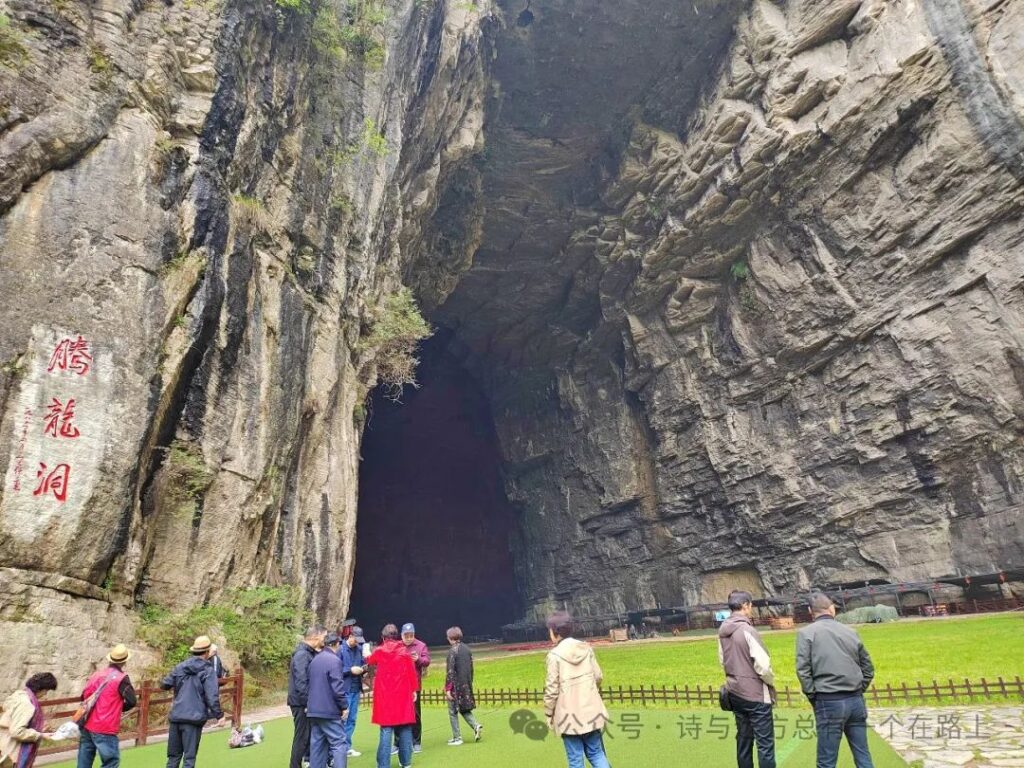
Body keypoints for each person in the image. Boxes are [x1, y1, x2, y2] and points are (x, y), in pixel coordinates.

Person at [797, 593, 876, 768]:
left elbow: (803, 670)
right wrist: (859, 688)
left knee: (827, 759)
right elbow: (868, 667)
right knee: (863, 755)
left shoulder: (806, 633)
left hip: (828, 700)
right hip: (855, 700)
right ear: (832, 608)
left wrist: (813, 696)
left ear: (811, 611)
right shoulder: (850, 631)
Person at [543, 611, 611, 768]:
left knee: (575, 760)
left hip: (568, 715)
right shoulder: (586, 648)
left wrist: (548, 712)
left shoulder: (554, 656)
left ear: (555, 632)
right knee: (596, 753)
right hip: (590, 711)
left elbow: (552, 689)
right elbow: (598, 676)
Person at [718, 590, 777, 768]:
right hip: (756, 694)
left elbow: (722, 660)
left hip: (734, 692)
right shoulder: (747, 630)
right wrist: (770, 682)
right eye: (750, 605)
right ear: (745, 606)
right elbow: (763, 666)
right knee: (765, 744)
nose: (751, 609)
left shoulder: (722, 632)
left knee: (743, 740)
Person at [161, 635, 226, 768]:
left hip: (177, 715)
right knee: (189, 759)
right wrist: (219, 715)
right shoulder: (208, 670)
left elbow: (164, 684)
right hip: (194, 718)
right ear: (207, 652)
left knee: (173, 757)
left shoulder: (180, 667)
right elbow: (211, 696)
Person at [365, 624, 418, 768]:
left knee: (386, 729)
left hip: (385, 696)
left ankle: (383, 764)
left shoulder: (379, 651)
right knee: (405, 727)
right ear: (397, 636)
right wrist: (414, 690)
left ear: (383, 637)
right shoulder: (404, 652)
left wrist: (366, 652)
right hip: (402, 694)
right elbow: (412, 673)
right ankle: (406, 762)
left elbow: (369, 660)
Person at [76, 644, 137, 768]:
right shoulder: (121, 678)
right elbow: (132, 701)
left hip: (87, 723)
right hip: (105, 726)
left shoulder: (97, 674)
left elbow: (84, 697)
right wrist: (118, 708)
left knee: (84, 763)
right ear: (125, 661)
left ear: (110, 659)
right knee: (111, 761)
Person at [307, 634, 348, 768]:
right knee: (339, 744)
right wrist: (344, 706)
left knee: (318, 746)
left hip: (314, 710)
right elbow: (337, 688)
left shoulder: (314, 660)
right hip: (329, 711)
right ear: (336, 644)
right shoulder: (334, 661)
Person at [0, 673, 58, 768]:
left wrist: (39, 729)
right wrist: (40, 735)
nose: (45, 694)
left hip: (4, 746)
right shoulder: (26, 704)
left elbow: (13, 722)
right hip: (13, 752)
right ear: (41, 689)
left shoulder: (19, 695)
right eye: (46, 690)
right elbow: (17, 731)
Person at [289, 626, 326, 768]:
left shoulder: (308, 653)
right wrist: (307, 704)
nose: (324, 640)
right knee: (302, 737)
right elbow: (301, 681)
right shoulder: (302, 655)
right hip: (300, 703)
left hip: (304, 701)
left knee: (308, 735)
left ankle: (310, 762)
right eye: (323, 636)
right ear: (315, 637)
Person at [444, 626, 482, 746]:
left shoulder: (452, 651)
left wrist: (448, 689)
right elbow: (471, 668)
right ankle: (476, 726)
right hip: (466, 684)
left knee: (452, 711)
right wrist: (470, 681)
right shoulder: (467, 649)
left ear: (450, 638)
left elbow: (450, 671)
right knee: (464, 709)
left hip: (455, 686)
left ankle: (457, 737)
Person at [399, 624, 430, 754]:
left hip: (414, 685)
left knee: (415, 714)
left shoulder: (420, 645)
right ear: (402, 635)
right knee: (399, 714)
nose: (409, 638)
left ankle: (416, 742)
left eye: (411, 635)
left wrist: (418, 659)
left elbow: (427, 661)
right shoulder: (398, 646)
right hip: (399, 685)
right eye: (406, 636)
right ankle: (398, 742)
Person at [339, 627, 367, 758]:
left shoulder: (359, 650)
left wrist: (364, 669)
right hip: (345, 689)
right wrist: (350, 670)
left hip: (356, 688)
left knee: (352, 719)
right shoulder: (340, 649)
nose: (357, 643)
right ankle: (339, 748)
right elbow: (335, 669)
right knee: (343, 719)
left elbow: (362, 665)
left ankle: (347, 747)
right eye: (355, 640)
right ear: (350, 636)